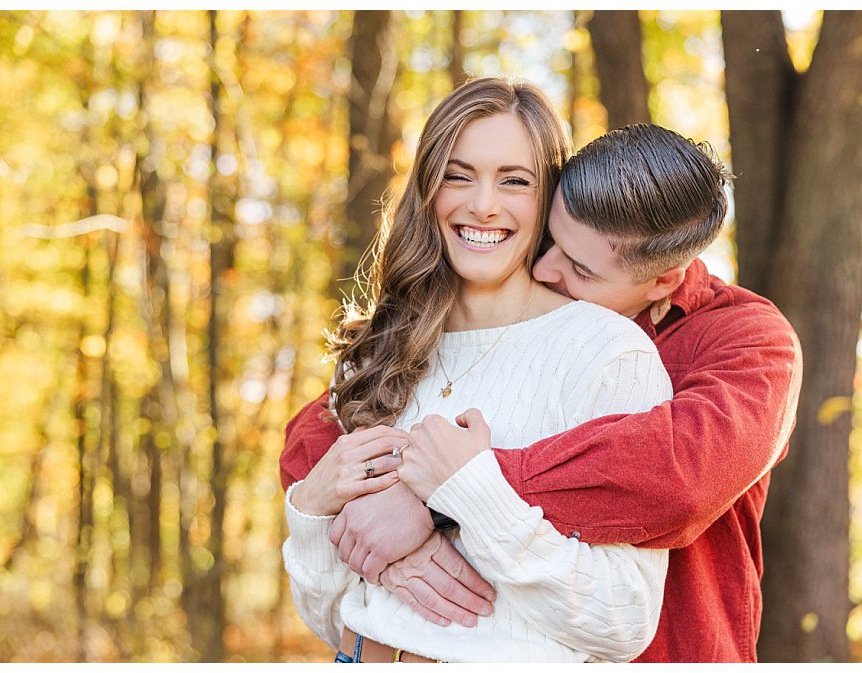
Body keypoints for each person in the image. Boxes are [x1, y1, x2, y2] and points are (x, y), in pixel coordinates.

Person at [281, 120, 803, 662]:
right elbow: (313, 436)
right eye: (552, 240)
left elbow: (678, 475)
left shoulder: (748, 341)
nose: (546, 269)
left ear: (664, 280)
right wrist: (363, 504)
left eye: (578, 268)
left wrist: (439, 489)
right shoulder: (492, 303)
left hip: (672, 647)